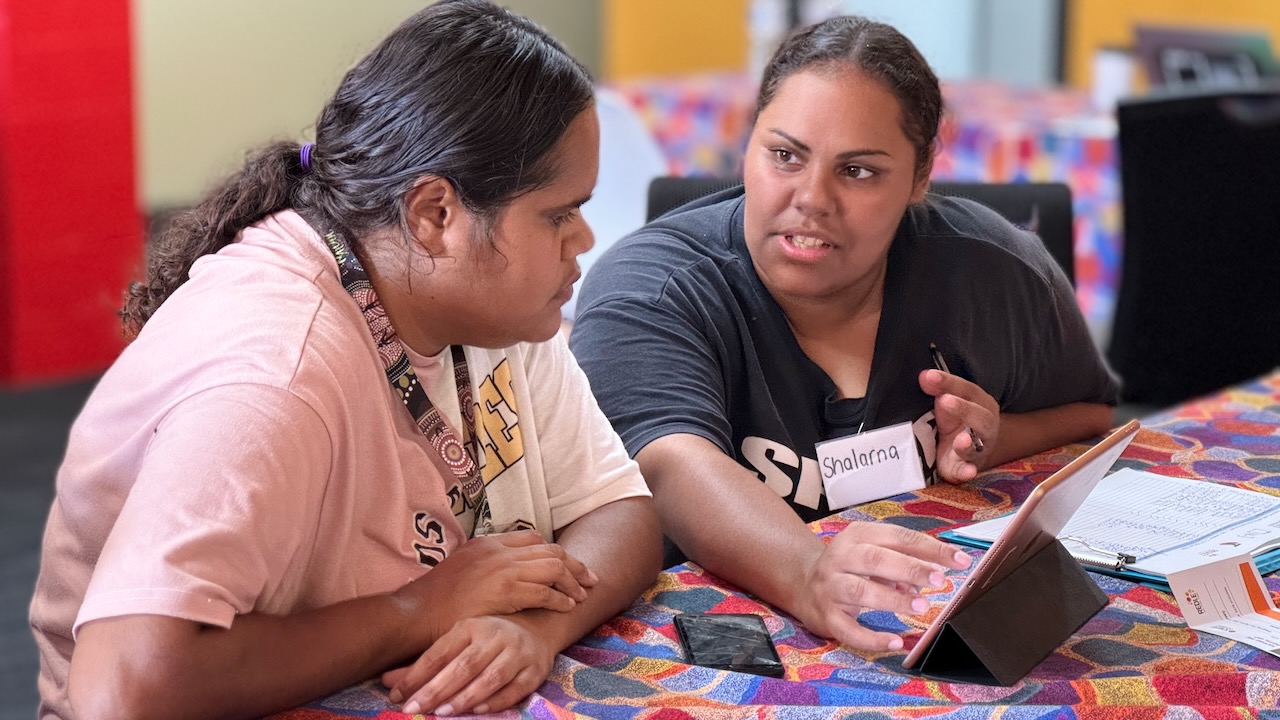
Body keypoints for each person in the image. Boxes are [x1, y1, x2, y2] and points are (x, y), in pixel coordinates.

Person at [29, 2, 662, 718]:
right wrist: (419, 608)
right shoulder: (279, 373)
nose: (583, 240)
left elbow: (622, 511)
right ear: (435, 215)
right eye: (558, 214)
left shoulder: (494, 311)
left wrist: (532, 629)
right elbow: (126, 690)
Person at [570, 15, 1119, 653]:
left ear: (919, 180)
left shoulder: (998, 271)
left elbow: (1091, 415)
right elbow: (667, 465)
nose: (812, 197)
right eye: (784, 155)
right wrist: (810, 574)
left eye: (858, 171)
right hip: (700, 661)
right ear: (747, 148)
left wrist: (992, 441)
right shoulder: (651, 288)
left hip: (924, 630)